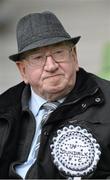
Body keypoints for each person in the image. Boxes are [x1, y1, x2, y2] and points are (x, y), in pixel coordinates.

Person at [0, 11, 110, 180]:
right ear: (23, 70)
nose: (51, 66)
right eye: (38, 58)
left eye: (59, 53)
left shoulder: (106, 100)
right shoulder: (5, 107)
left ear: (74, 57)